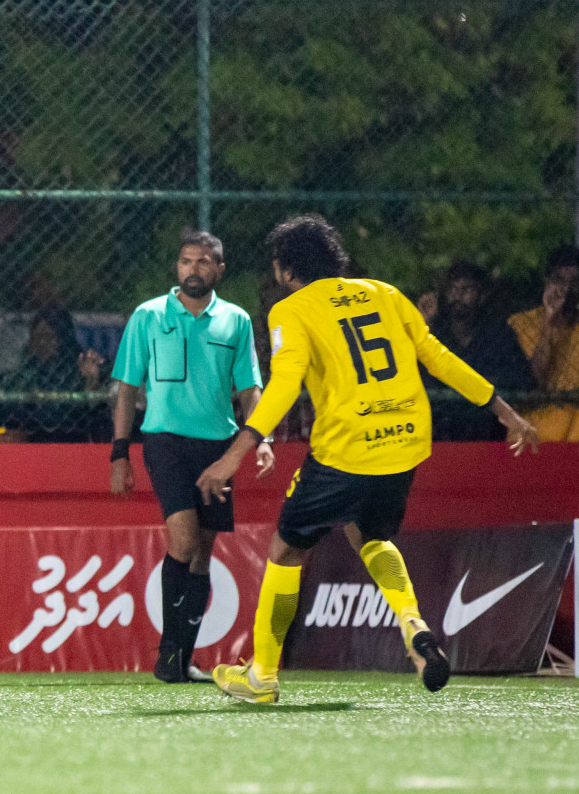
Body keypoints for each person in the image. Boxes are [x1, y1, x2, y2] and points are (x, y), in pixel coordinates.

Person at [194, 215, 539, 704]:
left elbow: (285, 385)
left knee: (285, 549)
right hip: (405, 441)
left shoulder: (291, 310)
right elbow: (438, 358)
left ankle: (262, 677)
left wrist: (235, 454)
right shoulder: (386, 293)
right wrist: (505, 411)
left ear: (285, 270)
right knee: (370, 534)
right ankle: (413, 624)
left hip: (347, 447)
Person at [108, 229, 273, 683]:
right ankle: (167, 653)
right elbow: (126, 389)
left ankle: (182, 658)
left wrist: (262, 439)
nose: (193, 269)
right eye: (186, 261)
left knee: (202, 554)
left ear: (220, 269)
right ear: (176, 267)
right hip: (165, 443)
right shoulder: (148, 316)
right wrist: (119, 453)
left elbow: (249, 390)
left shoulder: (236, 321)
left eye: (204, 262)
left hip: (219, 448)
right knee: (182, 542)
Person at [418, 260, 534, 440]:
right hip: (442, 430)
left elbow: (521, 378)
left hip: (488, 429)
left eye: (466, 290)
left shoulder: (498, 334)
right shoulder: (435, 332)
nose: (458, 296)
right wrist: (426, 323)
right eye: (453, 290)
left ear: (481, 295)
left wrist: (480, 384)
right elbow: (418, 374)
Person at [0, 309, 105, 442]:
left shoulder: (77, 369)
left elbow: (94, 420)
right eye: (37, 337)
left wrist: (92, 384)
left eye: (48, 337)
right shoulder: (24, 371)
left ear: (62, 339)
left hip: (71, 443)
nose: (42, 343)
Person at [508, 245, 579, 441]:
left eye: (574, 282)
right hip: (535, 423)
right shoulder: (520, 324)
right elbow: (533, 380)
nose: (566, 289)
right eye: (559, 281)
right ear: (547, 281)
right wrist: (549, 320)